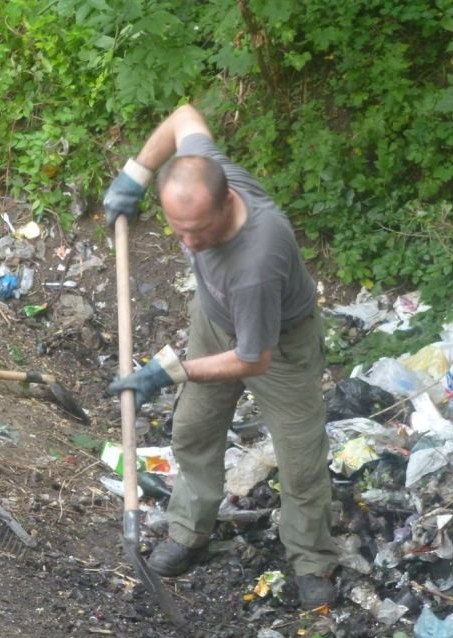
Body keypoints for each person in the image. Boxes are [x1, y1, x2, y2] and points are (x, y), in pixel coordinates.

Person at [103, 104, 339, 610]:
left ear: (227, 200)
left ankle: (312, 559)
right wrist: (136, 175)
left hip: (279, 343)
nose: (189, 243)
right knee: (193, 430)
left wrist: (169, 372)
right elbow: (184, 116)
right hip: (214, 319)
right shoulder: (205, 172)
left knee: (300, 460)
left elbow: (253, 359)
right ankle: (189, 532)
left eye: (199, 231)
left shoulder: (257, 258)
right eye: (177, 229)